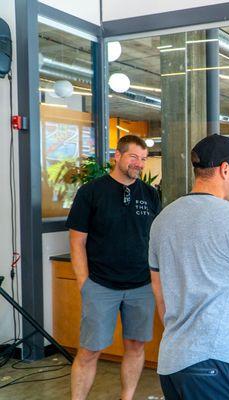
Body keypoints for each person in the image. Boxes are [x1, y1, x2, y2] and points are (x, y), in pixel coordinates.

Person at [149, 134, 229, 400]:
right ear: (225, 169)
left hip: (171, 363)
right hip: (213, 362)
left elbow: (159, 292)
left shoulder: (162, 220)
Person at [66, 135, 161, 400]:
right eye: (133, 157)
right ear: (116, 156)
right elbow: (77, 241)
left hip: (141, 286)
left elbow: (155, 240)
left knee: (135, 346)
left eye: (143, 159)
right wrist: (84, 283)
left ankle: (126, 397)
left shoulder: (150, 194)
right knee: (89, 350)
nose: (139, 164)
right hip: (100, 285)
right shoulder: (91, 192)